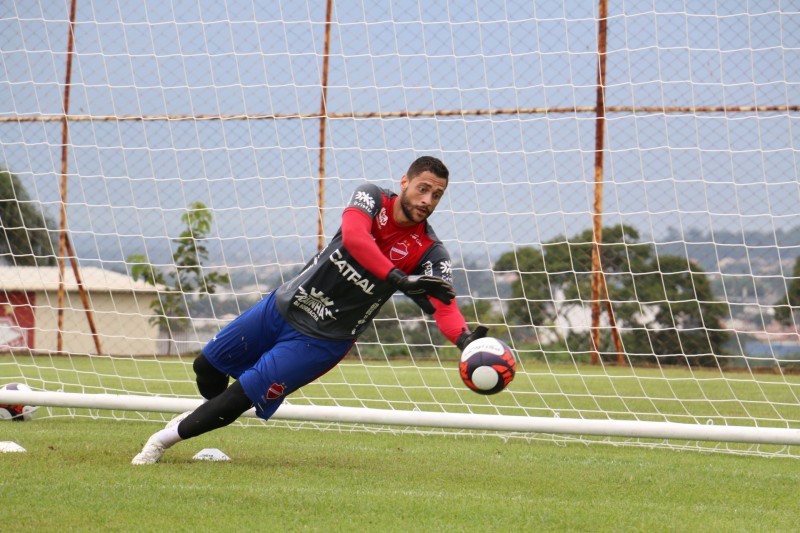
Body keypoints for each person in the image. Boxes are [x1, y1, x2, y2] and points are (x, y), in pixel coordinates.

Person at [132, 155, 488, 465]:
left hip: (322, 339)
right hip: (285, 305)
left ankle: (158, 443)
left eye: (437, 195)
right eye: (422, 188)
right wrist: (398, 278)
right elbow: (354, 238)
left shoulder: (430, 251)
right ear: (404, 182)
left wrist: (466, 341)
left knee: (240, 397)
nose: (428, 200)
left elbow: (444, 305)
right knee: (205, 367)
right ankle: (203, 417)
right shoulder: (371, 197)